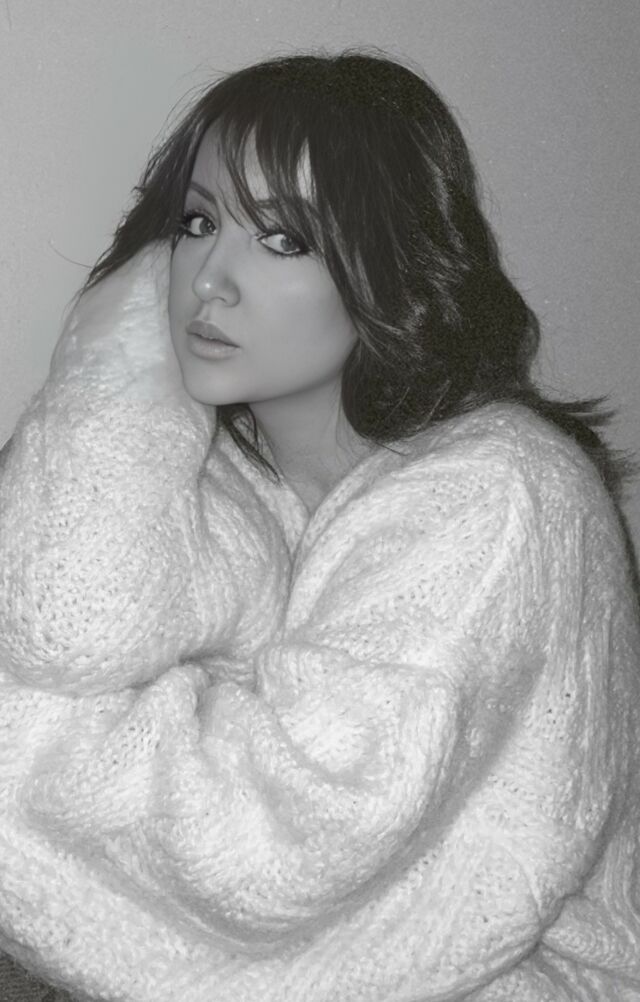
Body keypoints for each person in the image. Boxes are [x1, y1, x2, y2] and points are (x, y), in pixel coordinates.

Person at [0, 48, 639, 1002]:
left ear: (393, 266)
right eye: (198, 224)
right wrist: (107, 377)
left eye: (284, 239)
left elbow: (272, 850)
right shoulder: (211, 470)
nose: (210, 280)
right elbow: (63, 621)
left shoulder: (503, 498)